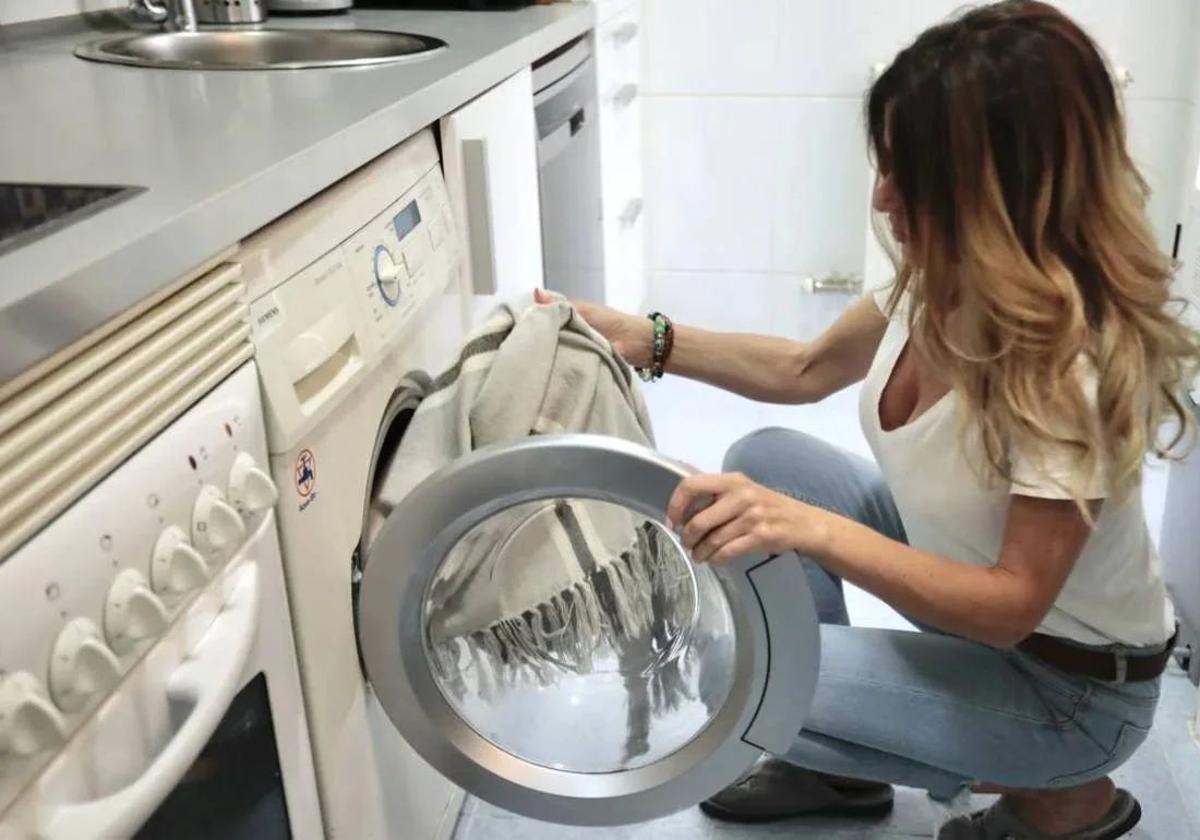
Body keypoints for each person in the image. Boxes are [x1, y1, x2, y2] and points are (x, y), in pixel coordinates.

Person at [536, 1, 1199, 837]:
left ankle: (1060, 792)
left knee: (731, 671)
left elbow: (1008, 606)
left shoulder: (1071, 365)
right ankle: (830, 768)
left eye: (908, 175)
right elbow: (803, 369)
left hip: (1071, 686)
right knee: (770, 456)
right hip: (989, 612)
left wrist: (810, 529)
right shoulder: (944, 277)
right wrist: (647, 337)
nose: (883, 197)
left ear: (995, 191)